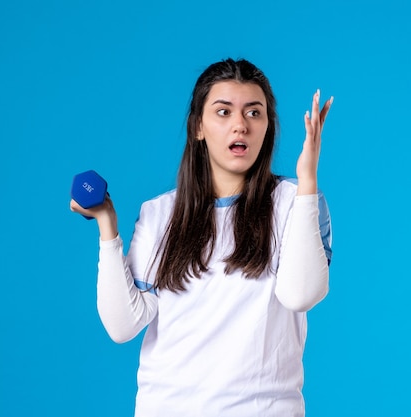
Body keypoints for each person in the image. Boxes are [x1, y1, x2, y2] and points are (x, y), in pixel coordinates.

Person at [70, 58, 333, 417]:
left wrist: (307, 180)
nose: (240, 125)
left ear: (268, 127)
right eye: (223, 112)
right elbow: (123, 325)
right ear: (198, 127)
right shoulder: (159, 214)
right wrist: (107, 225)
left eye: (254, 113)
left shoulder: (296, 203)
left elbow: (301, 294)